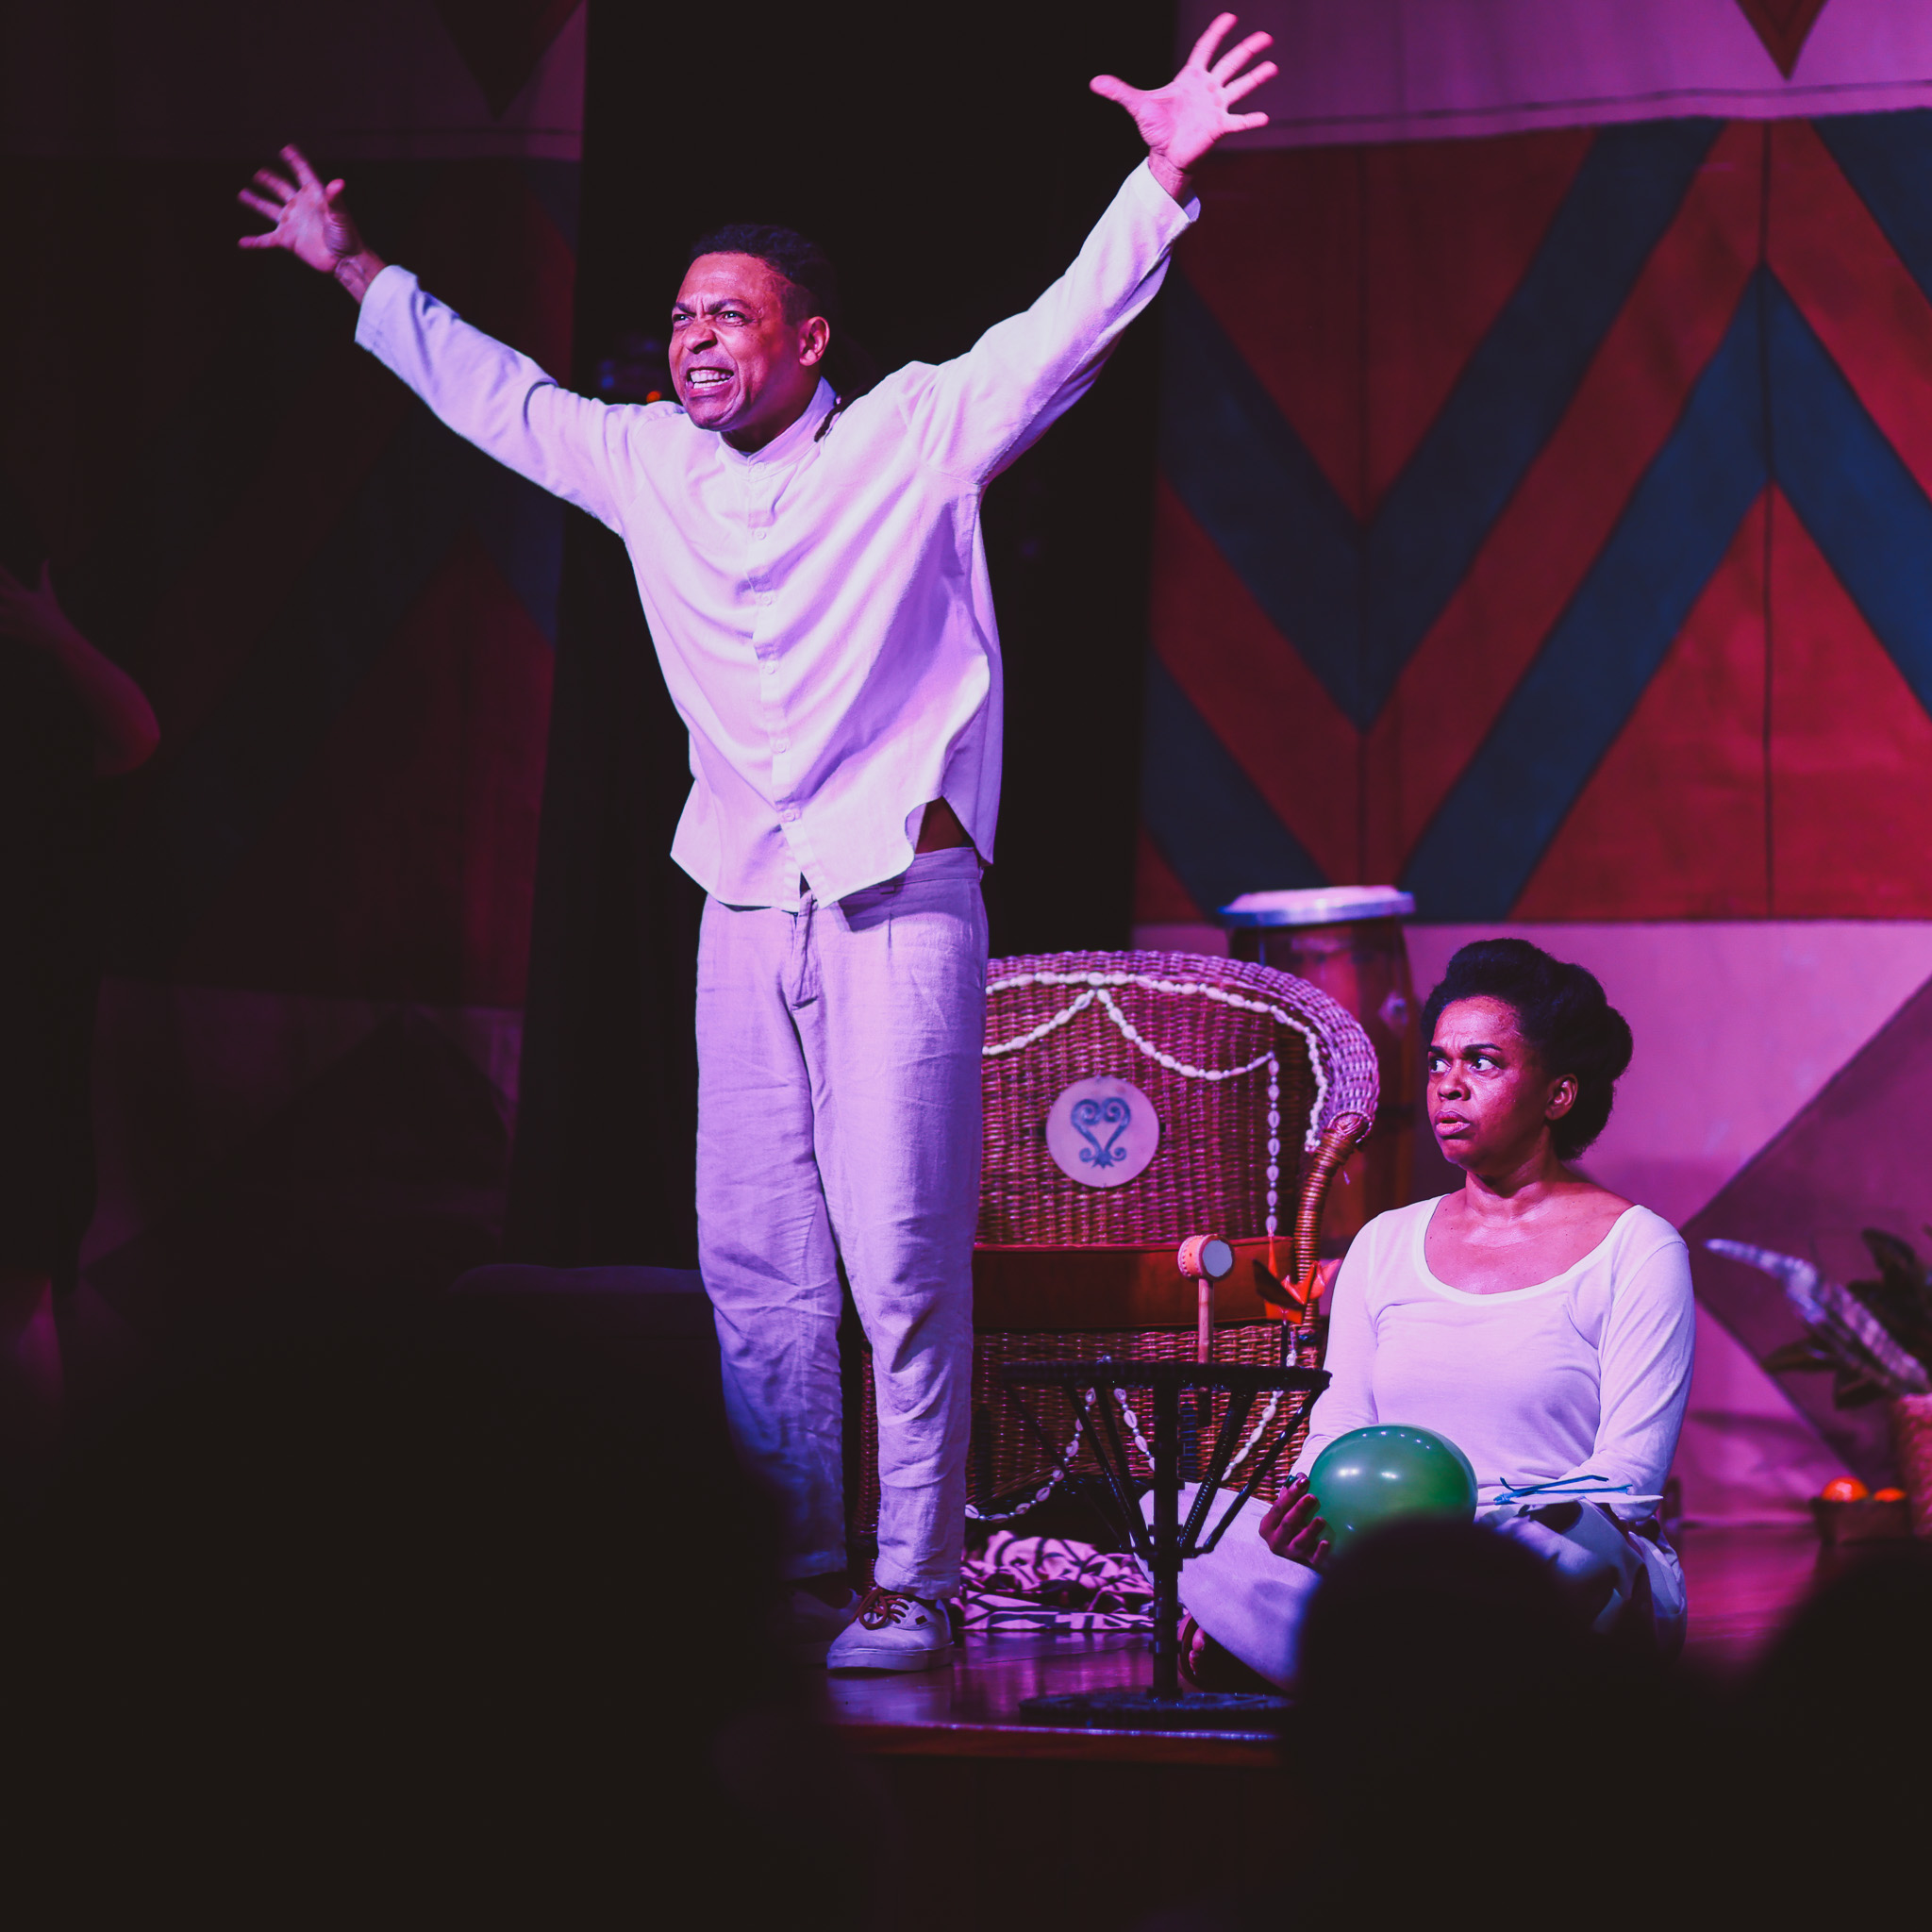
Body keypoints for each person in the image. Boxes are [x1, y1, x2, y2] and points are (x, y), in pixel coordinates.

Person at [236, 18, 1279, 1669]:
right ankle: (789, 1567)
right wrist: (351, 264)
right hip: (740, 889)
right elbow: (498, 396)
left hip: (898, 888)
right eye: (679, 315)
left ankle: (913, 1579)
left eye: (727, 314)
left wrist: (1158, 178)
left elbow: (1056, 336)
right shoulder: (650, 460)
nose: (694, 337)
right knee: (755, 1257)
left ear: (808, 340)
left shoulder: (910, 433)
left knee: (902, 1252)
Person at [1177, 938, 1696, 1687]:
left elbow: (1627, 1483)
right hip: (1392, 1560)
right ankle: (1425, 1666)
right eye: (1438, 1062)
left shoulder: (1638, 1247)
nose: (1449, 1086)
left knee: (1579, 1549)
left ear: (1558, 1095)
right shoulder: (1384, 1243)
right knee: (1186, 1519)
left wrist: (1464, 1543)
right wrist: (1317, 1511)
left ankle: (1344, 1658)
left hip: (1545, 1563)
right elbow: (1338, 1428)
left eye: (1482, 1062)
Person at [0, 542, 159, 1481]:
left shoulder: (41, 737)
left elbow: (134, 732)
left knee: (18, 1294)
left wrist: (52, 634)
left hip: (26, 1041)